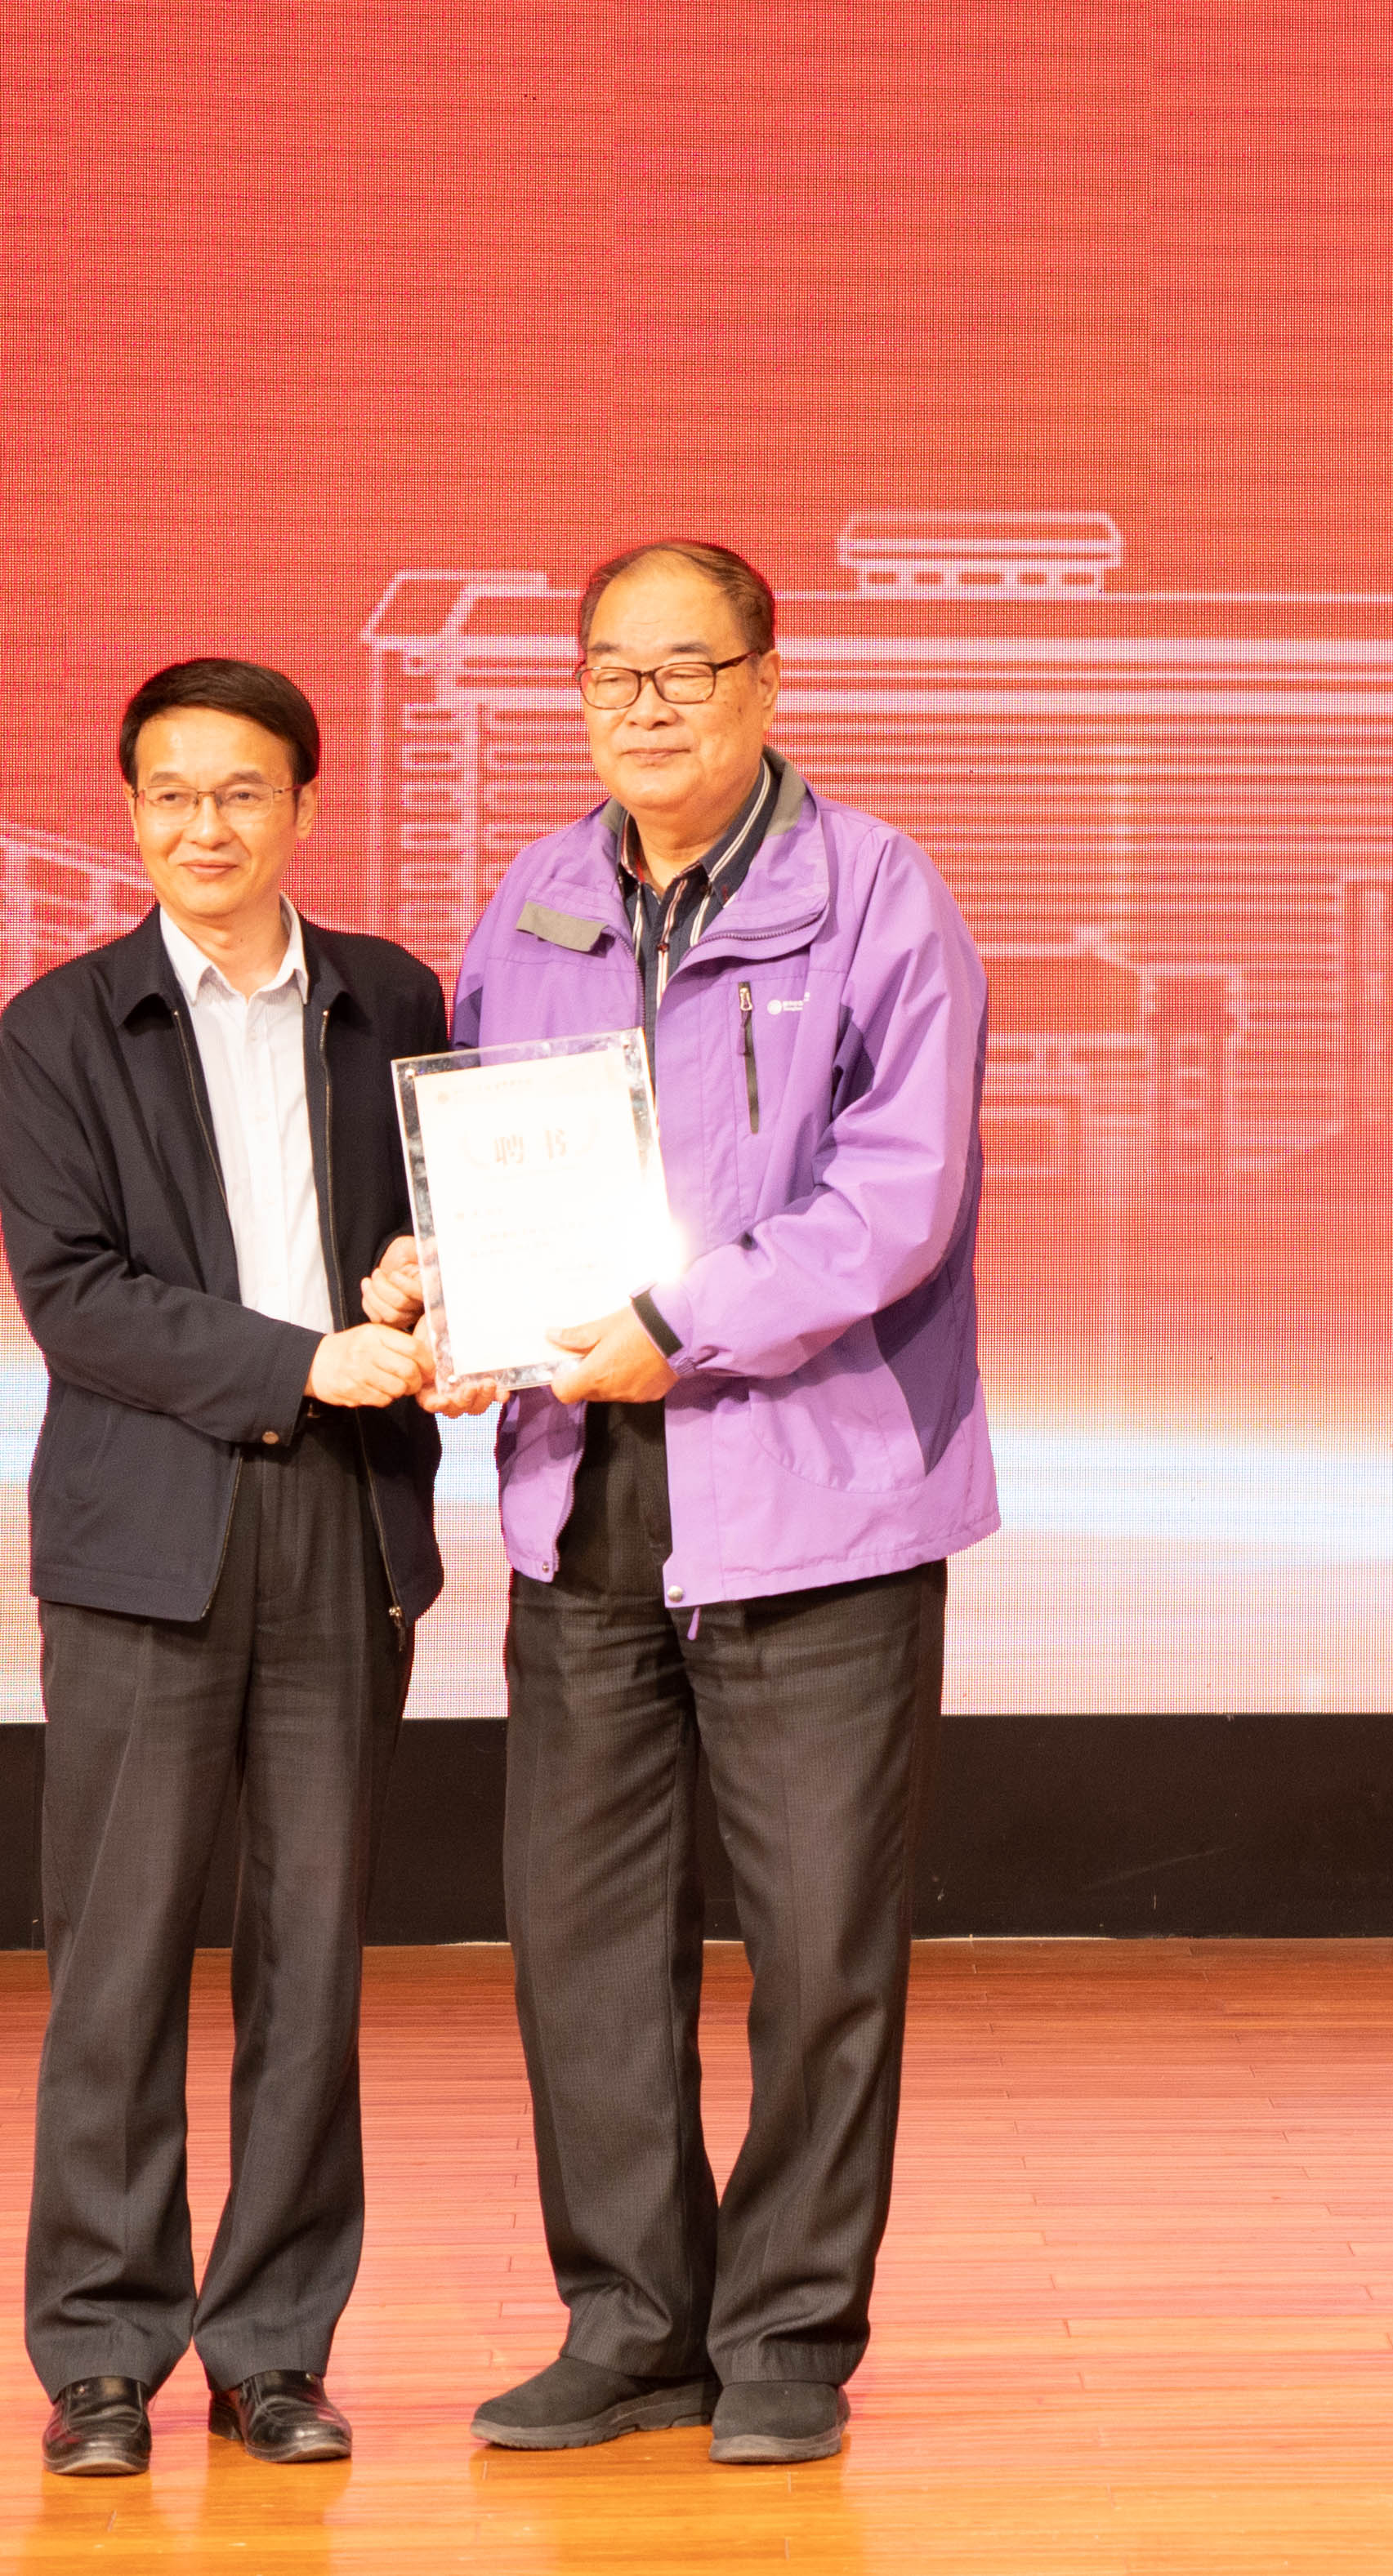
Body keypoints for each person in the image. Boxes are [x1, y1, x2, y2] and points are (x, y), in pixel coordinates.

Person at [372, 539, 994, 2467]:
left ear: (764, 681)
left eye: (683, 670)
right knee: (582, 1936)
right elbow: (489, 1155)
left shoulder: (875, 893)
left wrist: (676, 1323)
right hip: (583, 1487)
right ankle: (633, 2319)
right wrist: (442, 1283)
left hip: (812, 1483)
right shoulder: (537, 895)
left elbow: (894, 1195)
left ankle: (786, 2328)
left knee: (818, 1946)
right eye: (609, 674)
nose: (643, 707)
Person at [0, 657, 450, 2476]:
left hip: (342, 1519)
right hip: (144, 1536)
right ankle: (102, 2350)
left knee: (311, 1958)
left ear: (303, 807)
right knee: (114, 1958)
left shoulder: (390, 999)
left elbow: (442, 1225)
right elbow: (75, 1296)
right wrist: (299, 1358)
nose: (207, 825)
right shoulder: (61, 1026)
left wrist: (422, 1284)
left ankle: (273, 2346)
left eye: (243, 791)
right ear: (130, 811)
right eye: (172, 793)